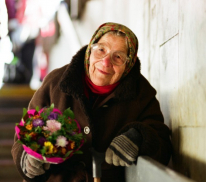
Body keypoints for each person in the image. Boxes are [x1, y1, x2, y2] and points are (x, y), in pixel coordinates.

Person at [11, 22, 173, 182]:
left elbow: (162, 143)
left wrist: (139, 137)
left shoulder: (141, 93)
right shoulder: (56, 82)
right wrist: (27, 159)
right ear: (90, 50)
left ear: (129, 64)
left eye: (118, 57)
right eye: (101, 50)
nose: (106, 62)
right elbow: (25, 133)